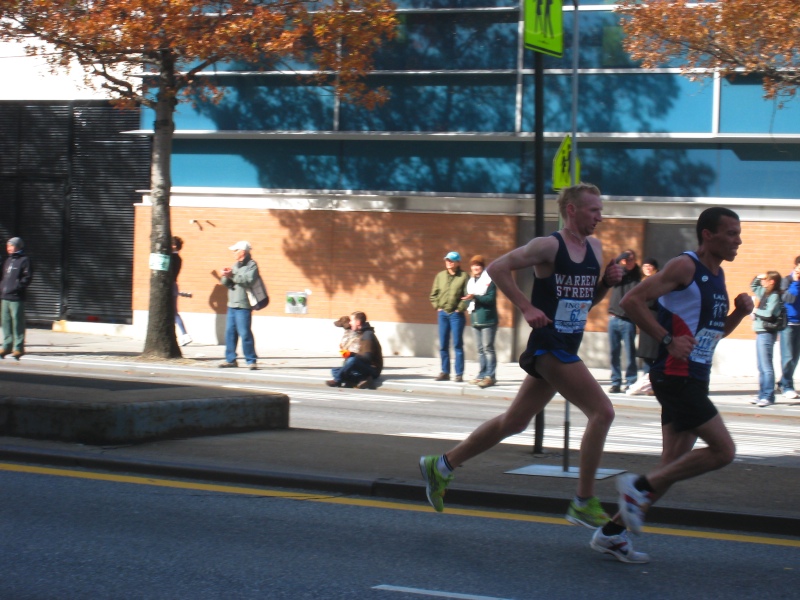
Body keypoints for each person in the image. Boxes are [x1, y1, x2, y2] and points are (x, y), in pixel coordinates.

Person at [419, 183, 624, 531]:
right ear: (571, 210)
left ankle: (441, 465)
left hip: (568, 343)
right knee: (602, 412)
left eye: (600, 210)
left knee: (514, 422)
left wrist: (606, 282)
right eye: (593, 210)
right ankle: (583, 501)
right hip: (548, 345)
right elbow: (497, 268)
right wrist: (526, 307)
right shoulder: (548, 246)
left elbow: (586, 302)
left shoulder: (594, 247)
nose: (599, 217)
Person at [595, 207, 752, 564]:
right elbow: (632, 301)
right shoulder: (686, 266)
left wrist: (739, 314)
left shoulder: (718, 275)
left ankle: (611, 534)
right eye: (731, 233)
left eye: (738, 233)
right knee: (723, 451)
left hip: (695, 374)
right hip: (675, 374)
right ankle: (637, 489)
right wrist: (666, 340)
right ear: (707, 235)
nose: (738, 240)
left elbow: (710, 335)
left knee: (671, 464)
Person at [219, 241, 260, 370]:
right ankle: (230, 359)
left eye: (235, 251)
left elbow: (248, 281)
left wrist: (233, 275)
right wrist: (225, 276)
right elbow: (229, 283)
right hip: (232, 304)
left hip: (243, 305)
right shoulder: (235, 265)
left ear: (243, 252)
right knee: (230, 333)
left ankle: (251, 360)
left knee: (245, 333)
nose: (233, 253)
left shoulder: (252, 266)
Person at [429, 251, 469, 382]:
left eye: (451, 260)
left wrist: (459, 309)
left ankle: (459, 374)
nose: (449, 262)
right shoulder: (440, 276)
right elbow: (433, 295)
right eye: (447, 260)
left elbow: (467, 296)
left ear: (458, 262)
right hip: (443, 314)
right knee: (443, 344)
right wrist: (437, 306)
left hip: (456, 315)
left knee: (457, 344)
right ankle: (445, 372)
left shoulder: (464, 276)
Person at [607, 248, 641, 393]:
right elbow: (611, 267)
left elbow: (636, 272)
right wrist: (621, 256)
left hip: (628, 320)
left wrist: (631, 261)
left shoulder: (636, 276)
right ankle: (616, 382)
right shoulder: (619, 274)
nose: (627, 262)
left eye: (631, 259)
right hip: (613, 319)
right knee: (614, 353)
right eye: (625, 259)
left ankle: (631, 380)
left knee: (630, 352)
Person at [626, 257, 659, 396]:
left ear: (655, 268)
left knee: (654, 355)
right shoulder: (641, 283)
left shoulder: (658, 282)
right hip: (644, 323)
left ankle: (652, 384)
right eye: (645, 265)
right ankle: (648, 384)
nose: (647, 268)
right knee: (646, 355)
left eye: (650, 266)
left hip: (655, 320)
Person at [463, 255, 498, 388]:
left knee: (488, 348)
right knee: (480, 350)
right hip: (475, 319)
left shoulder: (489, 281)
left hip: (488, 320)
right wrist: (468, 302)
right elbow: (468, 299)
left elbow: (490, 300)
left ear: (482, 267)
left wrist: (475, 297)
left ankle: (491, 376)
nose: (475, 267)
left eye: (478, 265)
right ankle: (482, 375)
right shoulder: (471, 281)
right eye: (473, 265)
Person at [750, 271, 783, 407]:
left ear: (772, 282)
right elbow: (753, 286)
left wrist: (755, 311)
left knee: (766, 366)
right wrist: (759, 276)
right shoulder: (765, 293)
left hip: (767, 332)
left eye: (766, 279)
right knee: (761, 366)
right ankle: (762, 394)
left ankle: (768, 396)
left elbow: (769, 313)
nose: (763, 282)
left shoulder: (774, 295)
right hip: (760, 331)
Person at [326, 311, 383, 389]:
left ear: (358, 322)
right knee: (334, 370)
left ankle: (338, 380)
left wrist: (351, 354)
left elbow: (367, 358)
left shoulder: (367, 335)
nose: (350, 323)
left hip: (373, 369)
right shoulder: (360, 333)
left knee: (352, 360)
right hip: (363, 367)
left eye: (352, 320)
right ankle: (362, 379)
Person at [1, 237, 33, 360]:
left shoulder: (25, 260)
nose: (8, 248)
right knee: (6, 322)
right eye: (7, 246)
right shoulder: (8, 260)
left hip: (16, 297)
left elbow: (27, 277)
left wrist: (17, 287)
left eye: (11, 246)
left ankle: (18, 348)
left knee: (17, 322)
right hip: (5, 296)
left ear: (18, 246)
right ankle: (6, 346)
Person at [777, 257, 800, 400]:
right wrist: (796, 282)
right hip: (788, 324)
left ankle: (783, 382)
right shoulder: (787, 280)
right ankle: (787, 386)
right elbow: (789, 299)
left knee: (795, 357)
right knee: (788, 356)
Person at [171, 236, 192, 346]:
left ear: (174, 246)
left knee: (173, 313)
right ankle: (184, 334)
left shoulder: (171, 258)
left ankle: (185, 334)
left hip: (170, 285)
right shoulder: (178, 258)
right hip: (174, 285)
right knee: (174, 312)